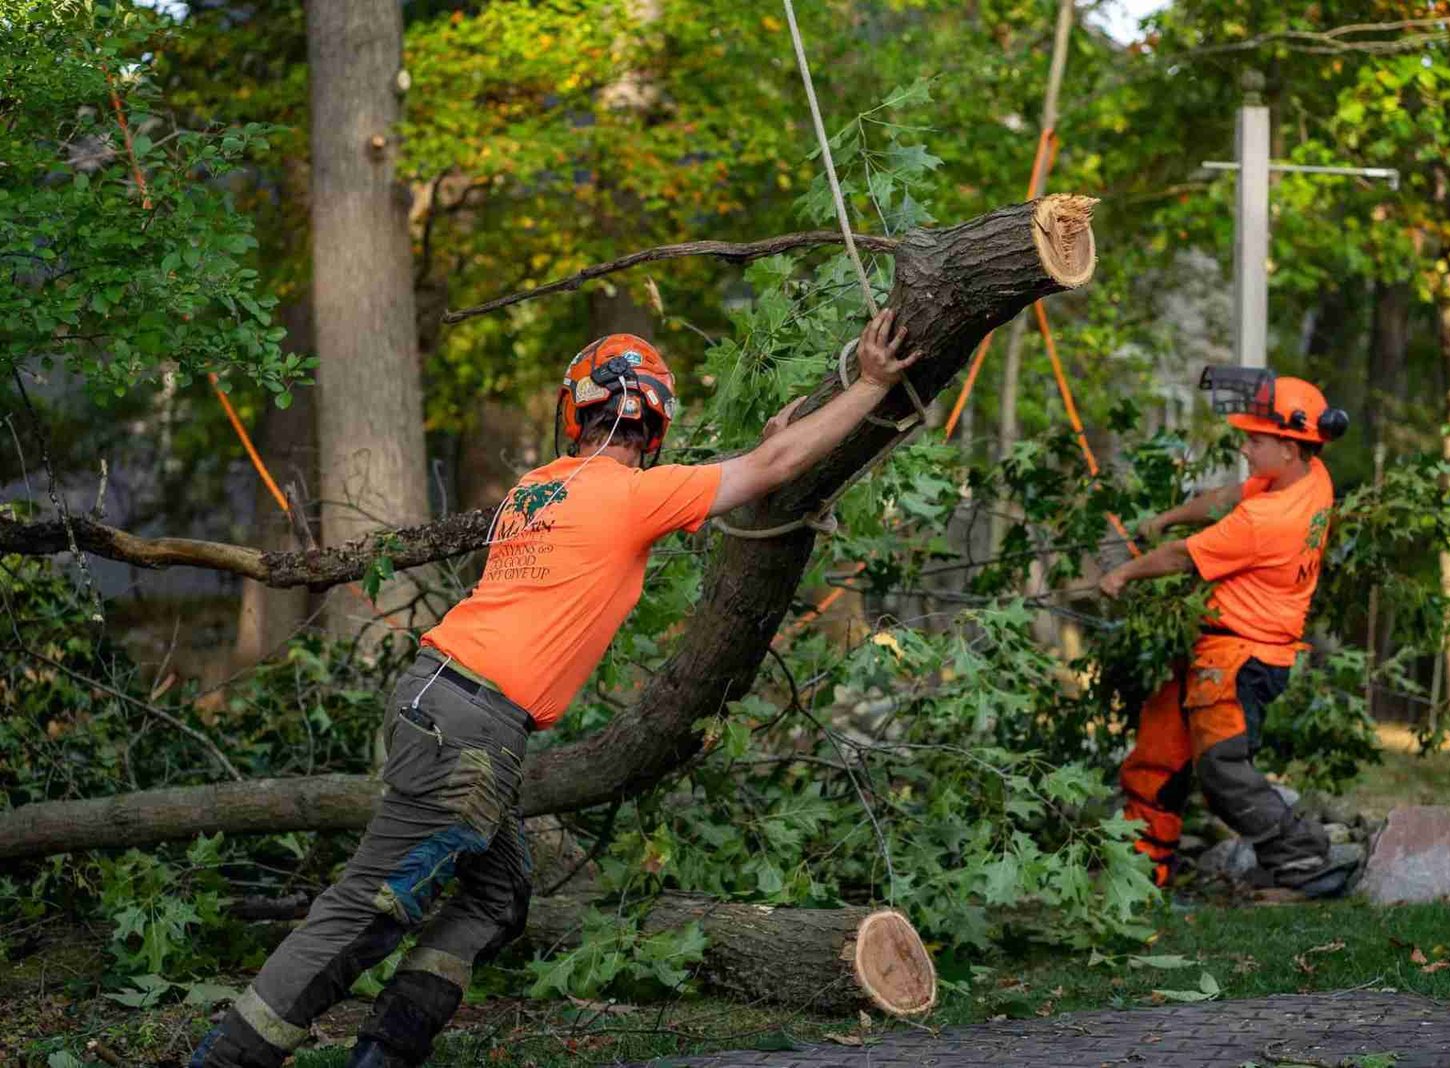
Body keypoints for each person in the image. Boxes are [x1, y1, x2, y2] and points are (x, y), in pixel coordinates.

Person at [192, 310, 919, 1068]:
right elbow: (769, 473)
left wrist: (772, 446)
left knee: (496, 894)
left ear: (577, 413)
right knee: (374, 904)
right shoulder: (633, 497)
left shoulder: (536, 490)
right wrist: (868, 384)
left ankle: (383, 1054)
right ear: (657, 421)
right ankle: (227, 1059)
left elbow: (755, 468)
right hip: (469, 726)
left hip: (441, 703)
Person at [1097, 366, 1357, 897]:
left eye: (1255, 439)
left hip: (1242, 658)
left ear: (1290, 446)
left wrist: (1123, 571)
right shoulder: (1312, 478)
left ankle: (1304, 862)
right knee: (1158, 752)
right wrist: (1168, 515)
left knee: (1222, 771)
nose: (1244, 446)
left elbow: (1180, 560)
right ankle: (1143, 873)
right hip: (1215, 647)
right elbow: (1229, 495)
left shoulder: (1268, 522)